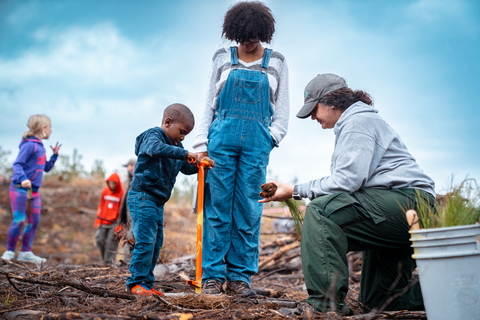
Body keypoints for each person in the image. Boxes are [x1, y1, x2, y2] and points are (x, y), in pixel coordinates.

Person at [259, 73, 436, 314]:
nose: (311, 116)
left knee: (322, 212)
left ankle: (325, 308)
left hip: (406, 204)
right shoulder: (357, 123)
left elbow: (346, 181)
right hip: (397, 210)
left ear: (332, 101)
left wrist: (294, 191)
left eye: (314, 108)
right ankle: (454, 290)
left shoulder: (358, 123)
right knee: (380, 302)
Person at [193, 1, 289, 297]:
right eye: (242, 36)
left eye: (254, 35)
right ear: (233, 33)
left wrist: (271, 137)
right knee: (217, 208)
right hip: (220, 141)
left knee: (248, 208)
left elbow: (282, 110)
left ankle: (240, 277)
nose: (248, 41)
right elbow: (209, 101)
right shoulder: (222, 57)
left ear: (264, 33)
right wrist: (200, 143)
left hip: (257, 143)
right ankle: (212, 276)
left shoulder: (277, 62)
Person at [126, 103, 214, 296]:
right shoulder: (153, 136)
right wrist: (185, 153)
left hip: (157, 201)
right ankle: (136, 282)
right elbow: (154, 148)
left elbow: (186, 167)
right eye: (181, 132)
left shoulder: (176, 146)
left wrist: (201, 164)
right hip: (142, 196)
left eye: (186, 135)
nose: (182, 138)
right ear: (167, 122)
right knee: (146, 239)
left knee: (156, 242)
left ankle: (146, 284)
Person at [1, 115, 61, 263]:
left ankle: (25, 252)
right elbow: (17, 164)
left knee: (34, 221)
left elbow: (46, 168)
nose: (51, 130)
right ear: (43, 128)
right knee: (19, 220)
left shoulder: (40, 147)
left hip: (33, 191)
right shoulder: (30, 145)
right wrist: (23, 179)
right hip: (19, 189)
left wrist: (55, 156)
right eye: (50, 127)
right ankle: (9, 252)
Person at [94, 172, 125, 264]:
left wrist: (120, 225)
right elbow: (101, 205)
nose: (111, 185)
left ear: (117, 183)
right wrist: (98, 219)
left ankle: (109, 262)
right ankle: (105, 259)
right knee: (99, 239)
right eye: (110, 183)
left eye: (113, 183)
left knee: (112, 242)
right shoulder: (105, 191)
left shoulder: (122, 193)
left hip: (114, 222)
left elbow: (122, 210)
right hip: (104, 221)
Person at [119, 158, 136, 261]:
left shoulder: (137, 179)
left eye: (128, 166)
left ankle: (127, 262)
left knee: (131, 235)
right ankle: (126, 262)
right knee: (129, 236)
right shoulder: (130, 182)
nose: (127, 169)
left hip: (135, 213)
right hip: (128, 217)